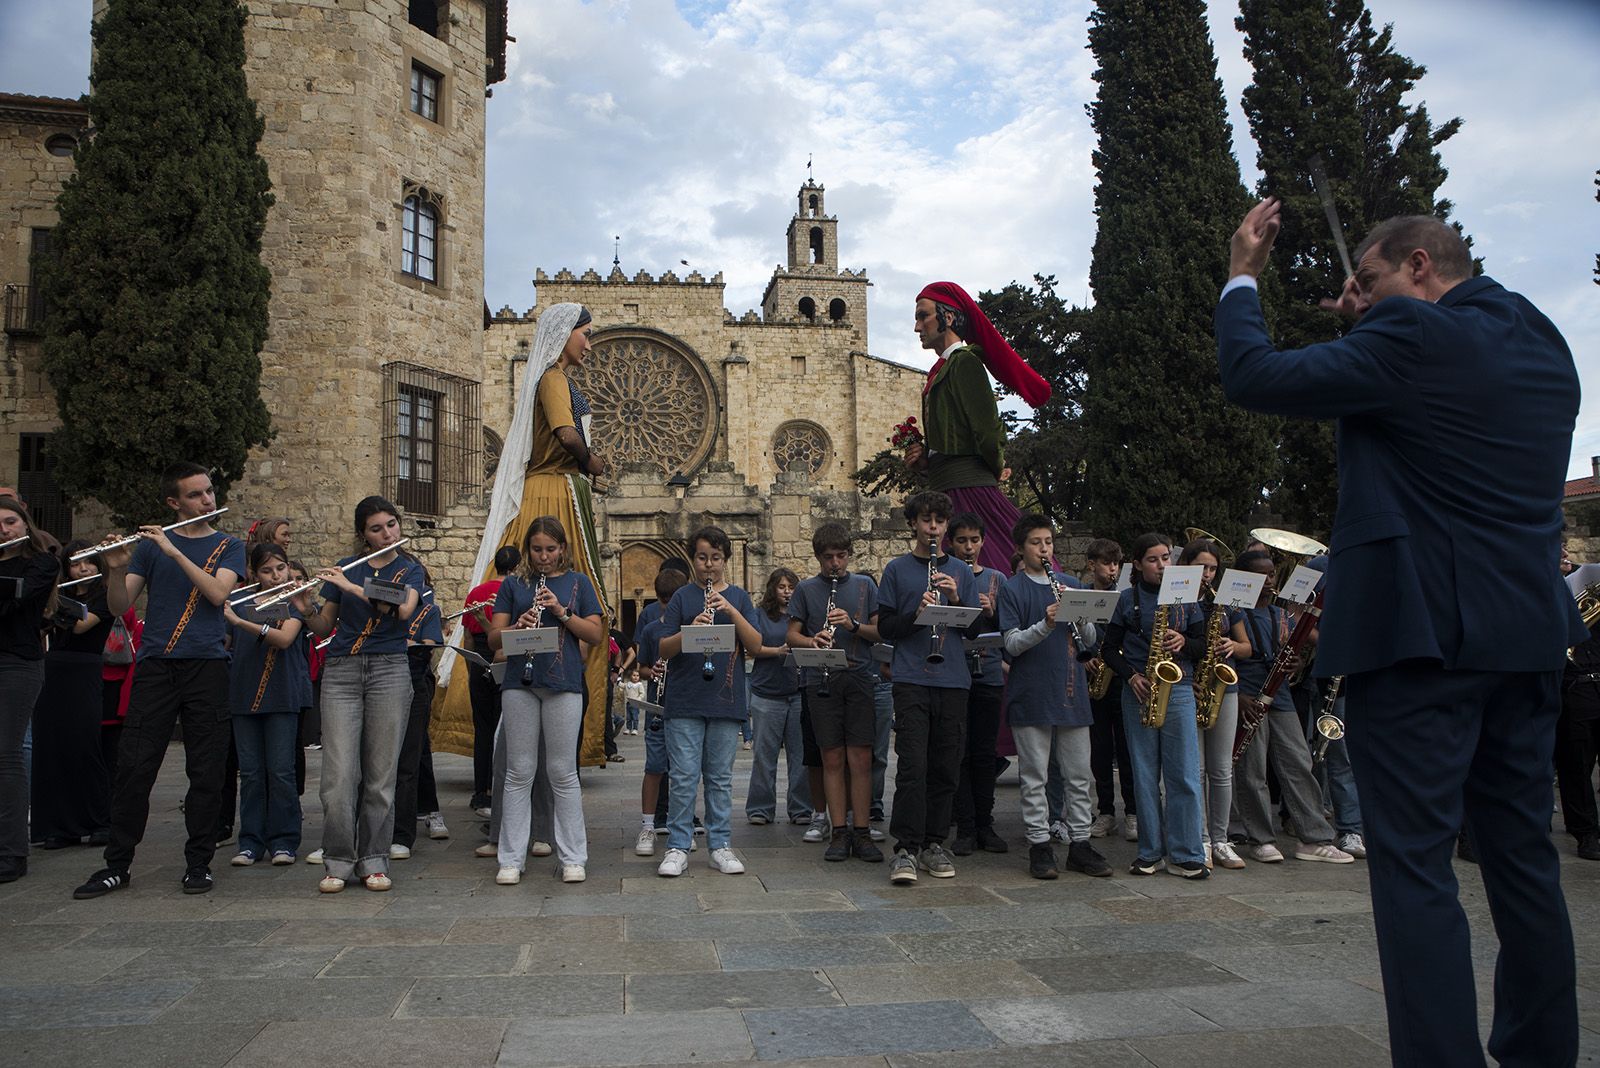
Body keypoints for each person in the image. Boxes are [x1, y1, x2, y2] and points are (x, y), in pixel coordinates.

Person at [1219, 202, 1584, 1067]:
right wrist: (1372, 319)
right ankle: (1542, 1053)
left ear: (1420, 267)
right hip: (1526, 635)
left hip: (1421, 638)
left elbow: (1254, 375)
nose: (1359, 301)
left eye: (1369, 282)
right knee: (1523, 861)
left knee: (1414, 866)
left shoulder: (1411, 338)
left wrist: (1243, 273)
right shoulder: (1542, 343)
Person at [434, 303, 612, 771]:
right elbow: (567, 437)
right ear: (564, 335)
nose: (589, 344)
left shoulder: (559, 379)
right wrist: (593, 464)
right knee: (557, 587)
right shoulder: (553, 379)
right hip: (552, 492)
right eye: (585, 334)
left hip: (561, 490)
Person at [73, 466, 244, 899]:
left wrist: (174, 551)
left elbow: (218, 595)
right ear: (174, 503)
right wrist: (115, 568)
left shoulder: (229, 545)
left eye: (209, 492)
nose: (207, 500)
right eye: (195, 495)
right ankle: (117, 865)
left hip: (206, 666)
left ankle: (199, 863)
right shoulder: (148, 550)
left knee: (205, 769)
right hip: (156, 666)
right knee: (134, 767)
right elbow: (119, 605)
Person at [300, 495, 424, 894]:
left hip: (389, 668)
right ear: (363, 535)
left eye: (391, 524)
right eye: (377, 528)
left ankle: (374, 859)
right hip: (341, 671)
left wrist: (350, 585)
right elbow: (323, 626)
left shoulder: (411, 569)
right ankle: (338, 859)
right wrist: (304, 607)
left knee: (380, 776)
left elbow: (402, 611)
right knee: (338, 777)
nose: (387, 533)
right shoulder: (346, 566)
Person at [900, 283, 1050, 575]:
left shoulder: (965, 363)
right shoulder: (943, 369)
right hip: (945, 489)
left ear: (949, 317)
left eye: (923, 316)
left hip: (970, 490)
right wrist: (925, 462)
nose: (917, 326)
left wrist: (992, 471)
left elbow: (987, 433)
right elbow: (954, 440)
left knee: (1008, 567)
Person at [487, 516, 603, 885]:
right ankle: (510, 858)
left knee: (562, 772)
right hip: (520, 682)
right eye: (536, 550)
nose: (543, 557)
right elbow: (493, 639)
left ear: (563, 549)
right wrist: (515, 627)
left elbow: (596, 634)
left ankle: (573, 857)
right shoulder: (514, 585)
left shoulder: (578, 583)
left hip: (563, 681)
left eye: (550, 550)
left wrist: (561, 612)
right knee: (519, 771)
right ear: (527, 550)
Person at [875, 491, 979, 884]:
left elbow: (977, 629)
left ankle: (936, 842)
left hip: (953, 678)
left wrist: (954, 598)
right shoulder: (898, 569)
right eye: (925, 520)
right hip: (911, 677)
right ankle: (905, 847)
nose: (932, 527)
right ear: (914, 524)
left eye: (938, 520)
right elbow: (886, 627)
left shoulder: (963, 573)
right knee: (913, 765)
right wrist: (916, 615)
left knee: (945, 766)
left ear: (946, 525)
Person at [999, 513, 1111, 880]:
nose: (1044, 548)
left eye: (1048, 542)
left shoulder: (1068, 583)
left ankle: (1079, 843)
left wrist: (1078, 617)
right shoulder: (1012, 589)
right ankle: (1039, 844)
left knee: (1079, 776)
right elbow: (1012, 644)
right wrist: (1046, 624)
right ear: (1021, 548)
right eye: (1036, 543)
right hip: (1031, 693)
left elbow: (1091, 640)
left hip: (1071, 689)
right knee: (1034, 777)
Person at [1229, 551, 1352, 866]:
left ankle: (1314, 838)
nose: (1269, 582)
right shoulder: (1232, 613)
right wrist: (1239, 696)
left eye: (1272, 575)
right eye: (1262, 576)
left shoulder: (1280, 614)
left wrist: (1295, 662)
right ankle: (1261, 838)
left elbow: (1287, 653)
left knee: (1298, 762)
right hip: (1248, 697)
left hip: (1279, 694)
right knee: (1253, 770)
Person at [1100, 532, 1208, 879]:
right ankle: (1149, 852)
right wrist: (1130, 676)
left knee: (1185, 775)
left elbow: (1203, 645)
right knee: (1144, 775)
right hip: (1139, 691)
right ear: (1137, 564)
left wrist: (1184, 642)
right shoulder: (1127, 599)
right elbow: (1108, 649)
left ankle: (1187, 853)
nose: (1162, 565)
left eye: (1166, 558)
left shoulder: (1186, 597)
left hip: (1178, 690)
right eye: (1153, 559)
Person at [655, 526, 760, 878]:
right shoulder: (683, 598)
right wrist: (690, 631)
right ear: (693, 560)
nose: (709, 566)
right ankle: (677, 846)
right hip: (684, 700)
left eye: (715, 558)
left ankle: (720, 844)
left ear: (725, 560)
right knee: (683, 777)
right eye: (702, 558)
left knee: (719, 778)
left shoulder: (740, 598)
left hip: (725, 700)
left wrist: (731, 611)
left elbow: (757, 646)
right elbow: (663, 649)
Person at [787, 523, 883, 862]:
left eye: (841, 556)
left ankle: (861, 831)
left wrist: (853, 626)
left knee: (860, 757)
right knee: (831, 757)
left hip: (858, 675)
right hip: (820, 678)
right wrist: (813, 639)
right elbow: (791, 636)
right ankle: (838, 831)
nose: (835, 564)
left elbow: (878, 632)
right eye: (828, 558)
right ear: (818, 557)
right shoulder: (806, 589)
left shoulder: (864, 585)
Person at [223, 542, 311, 866]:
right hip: (244, 692)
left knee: (281, 771)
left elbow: (285, 639)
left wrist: (240, 621)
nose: (275, 576)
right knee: (250, 773)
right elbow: (226, 641)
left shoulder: (296, 600)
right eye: (266, 570)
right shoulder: (239, 600)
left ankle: (284, 840)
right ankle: (250, 841)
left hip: (282, 693)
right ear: (252, 573)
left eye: (280, 568)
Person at [29, 541, 112, 851]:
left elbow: (80, 626)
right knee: (51, 747)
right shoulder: (58, 595)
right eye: (76, 564)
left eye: (89, 562)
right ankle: (58, 827)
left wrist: (53, 607)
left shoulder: (103, 596)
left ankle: (98, 821)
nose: (83, 569)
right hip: (53, 670)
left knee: (84, 744)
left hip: (84, 670)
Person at [1176, 537, 1253, 871]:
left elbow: (1247, 646)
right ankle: (1201, 837)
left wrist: (1232, 647)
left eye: (1212, 568)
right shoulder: (1175, 599)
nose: (1207, 574)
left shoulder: (1226, 601)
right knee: (1196, 769)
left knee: (1222, 769)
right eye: (1201, 567)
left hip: (1224, 686)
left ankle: (1221, 840)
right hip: (1189, 686)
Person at [1, 496, 61, 883]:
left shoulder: (42, 563)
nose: (3, 530)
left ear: (25, 525)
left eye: (10, 522)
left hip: (16, 664)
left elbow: (11, 605)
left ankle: (11, 852)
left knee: (6, 756)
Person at [945, 513, 1007, 856]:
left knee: (985, 753)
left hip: (989, 674)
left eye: (974, 540)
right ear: (951, 544)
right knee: (961, 753)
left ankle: (986, 823)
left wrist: (992, 611)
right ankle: (965, 826)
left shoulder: (997, 578)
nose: (969, 547)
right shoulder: (945, 577)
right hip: (955, 674)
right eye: (962, 541)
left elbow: (1009, 625)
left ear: (983, 542)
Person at [1079, 538, 1137, 843]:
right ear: (1092, 565)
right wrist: (1087, 658)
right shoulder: (1082, 596)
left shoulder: (1126, 597)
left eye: (1116, 563)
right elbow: (1072, 634)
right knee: (1100, 751)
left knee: (1127, 750)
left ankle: (1132, 811)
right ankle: (1105, 811)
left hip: (1122, 679)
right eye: (1106, 563)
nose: (1112, 569)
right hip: (1095, 681)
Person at [745, 567, 811, 827]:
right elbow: (752, 648)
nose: (787, 592)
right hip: (767, 694)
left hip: (797, 693)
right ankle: (760, 808)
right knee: (764, 756)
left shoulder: (802, 617)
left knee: (800, 756)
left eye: (791, 587)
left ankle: (801, 808)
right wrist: (777, 651)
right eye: (782, 587)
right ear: (773, 589)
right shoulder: (760, 615)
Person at [631, 567, 688, 858]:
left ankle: (682, 826)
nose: (667, 606)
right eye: (663, 600)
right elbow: (639, 667)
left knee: (683, 771)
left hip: (685, 708)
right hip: (657, 707)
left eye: (672, 600)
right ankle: (648, 825)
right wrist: (651, 671)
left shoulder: (690, 629)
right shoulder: (653, 629)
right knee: (654, 766)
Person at [463, 545, 519, 816]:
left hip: (479, 658)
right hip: (507, 657)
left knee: (482, 729)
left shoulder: (476, 593)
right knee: (504, 730)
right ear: (517, 566)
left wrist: (471, 667)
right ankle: (500, 791)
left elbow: (469, 639)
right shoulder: (516, 592)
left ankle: (480, 793)